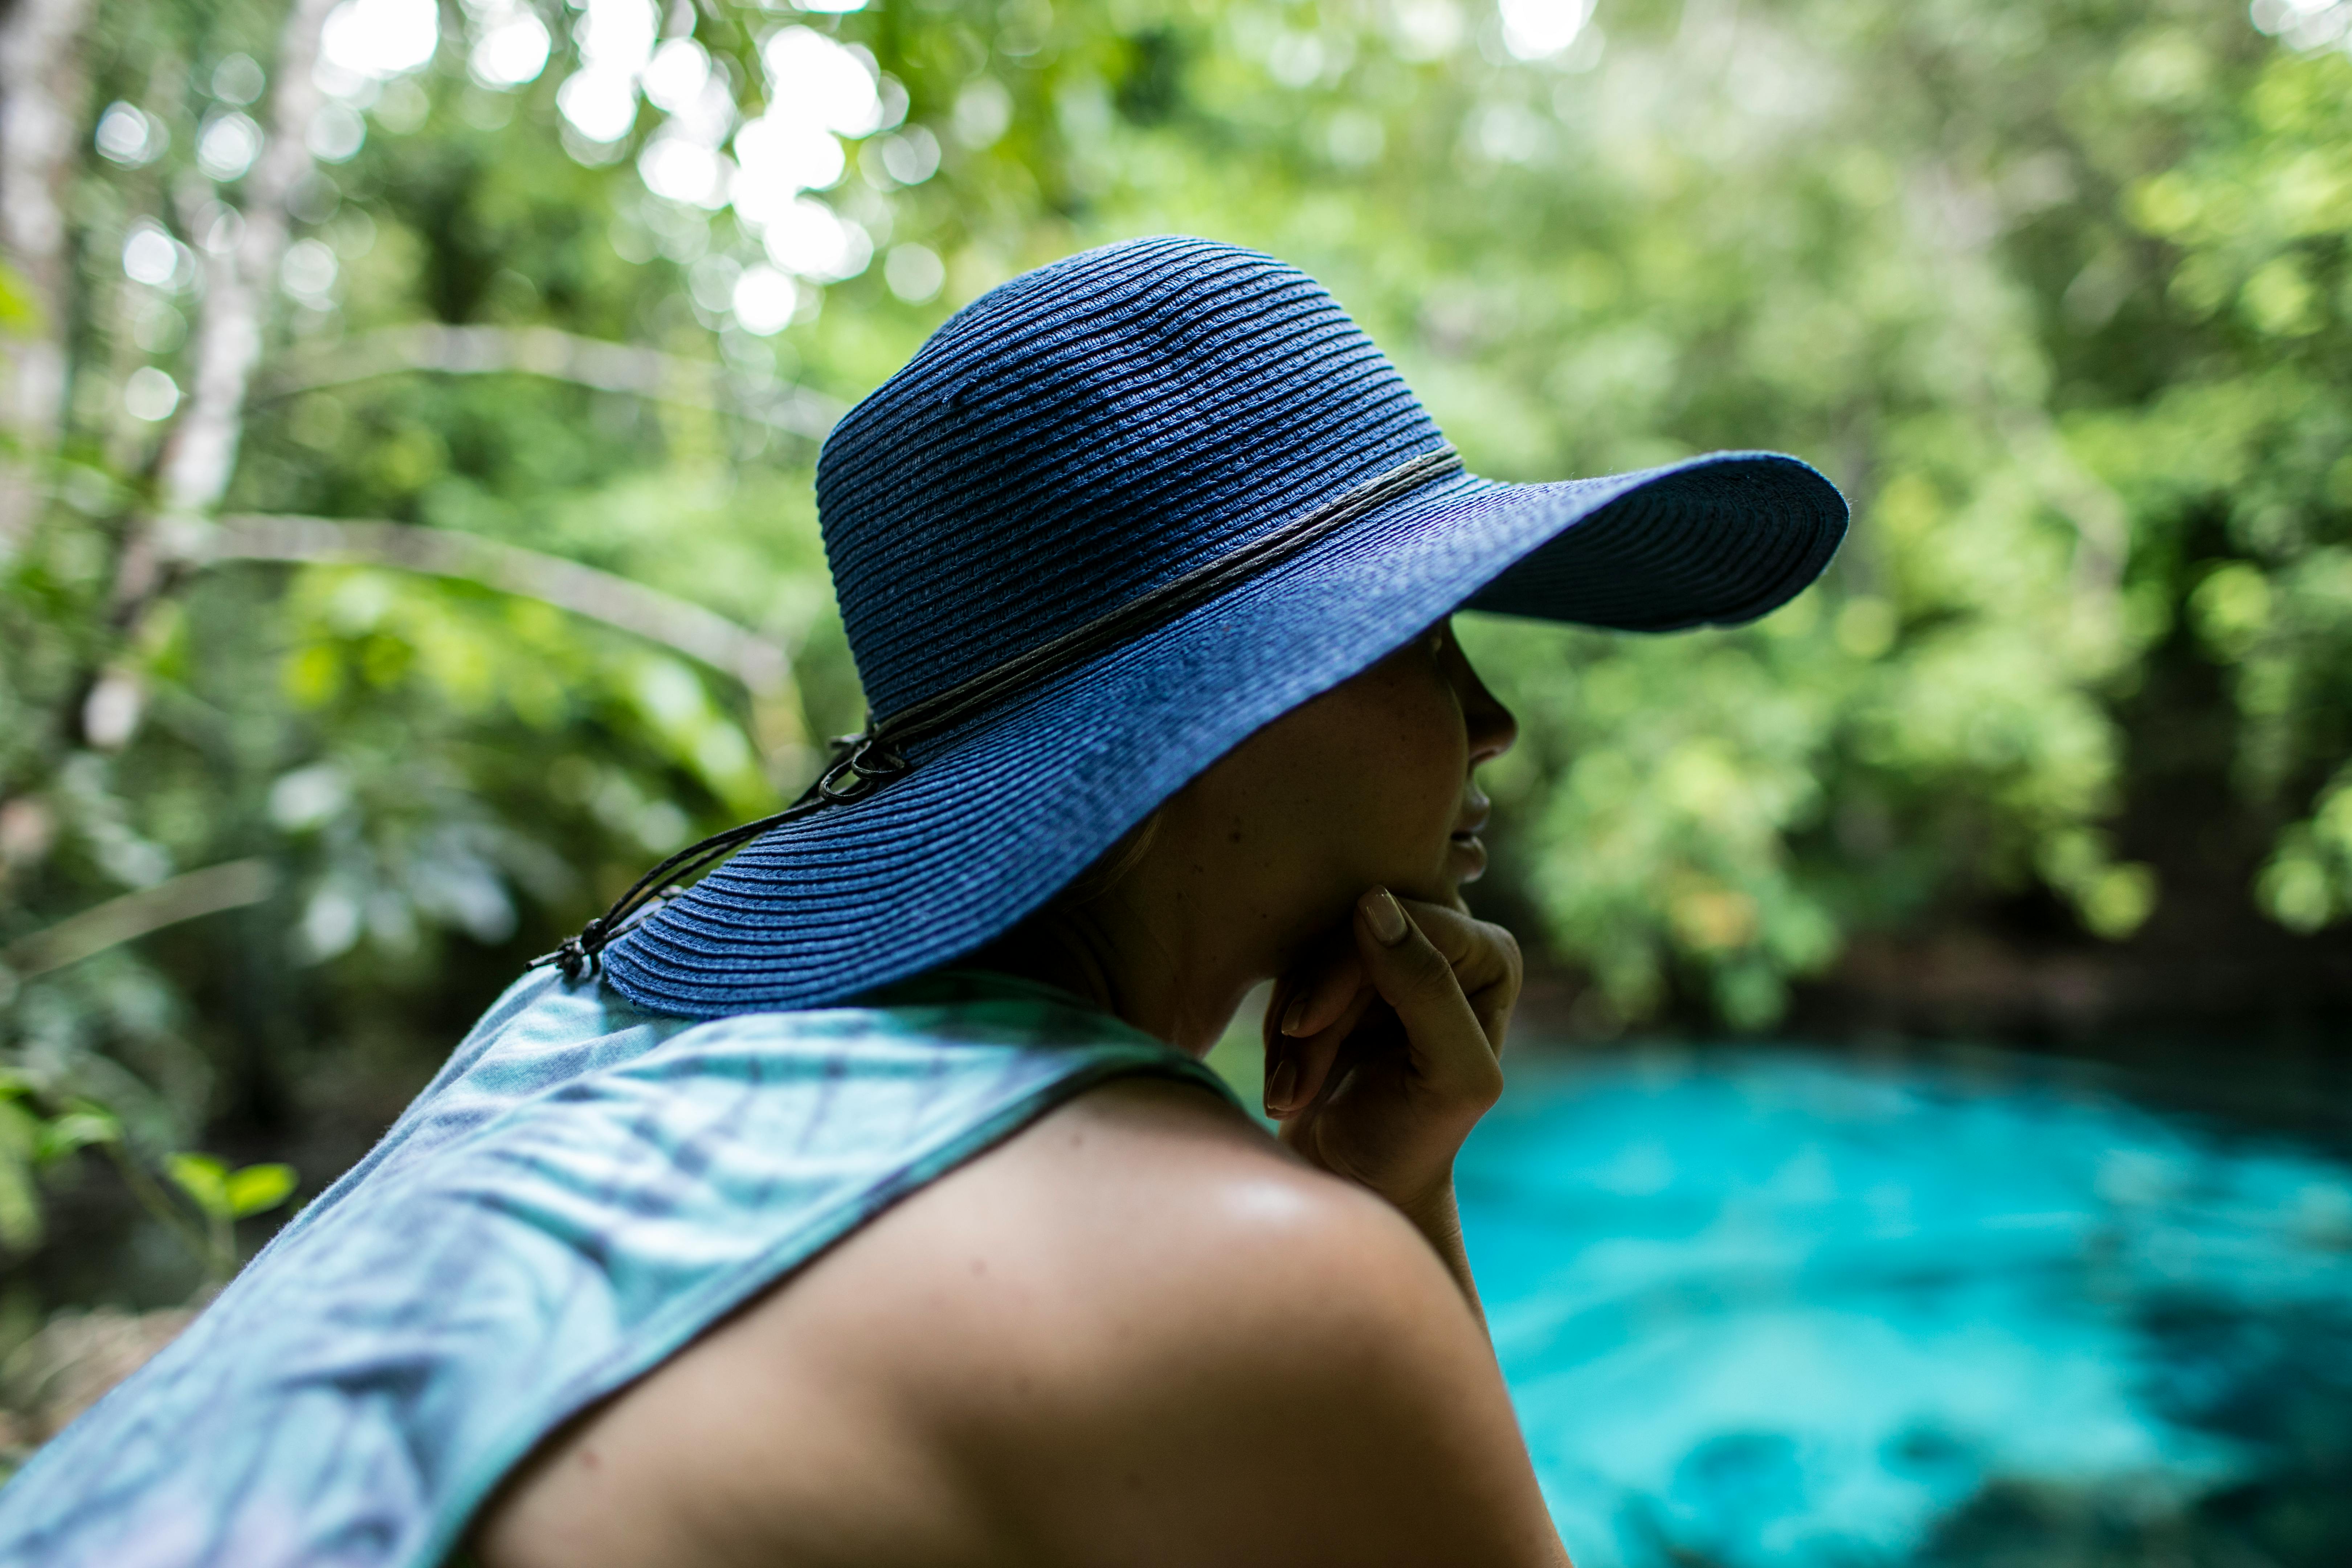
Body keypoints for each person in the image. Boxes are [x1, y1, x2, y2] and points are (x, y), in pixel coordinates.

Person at [0, 236, 1844, 1568]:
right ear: (1242, 704)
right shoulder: (1258, 1281)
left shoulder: (578, 1043)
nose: (1493, 714)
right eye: (1429, 635)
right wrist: (1394, 1229)